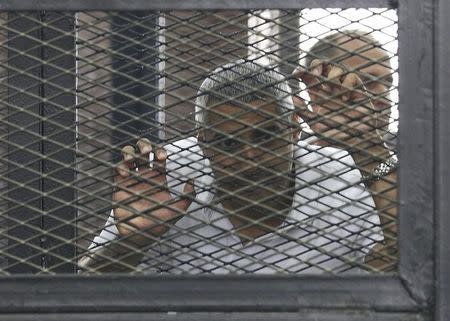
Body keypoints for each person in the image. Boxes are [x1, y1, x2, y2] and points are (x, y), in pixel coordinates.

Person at [79, 59, 383, 274]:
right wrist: (132, 243)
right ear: (203, 144)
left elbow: (409, 273)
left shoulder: (339, 174)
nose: (250, 155)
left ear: (294, 130)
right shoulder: (167, 175)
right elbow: (79, 297)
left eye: (265, 135)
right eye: (228, 143)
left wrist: (372, 152)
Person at [292, 30, 398, 271]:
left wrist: (369, 148)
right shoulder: (287, 166)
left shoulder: (416, 174)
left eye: (387, 84)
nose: (385, 97)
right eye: (368, 82)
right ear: (322, 82)